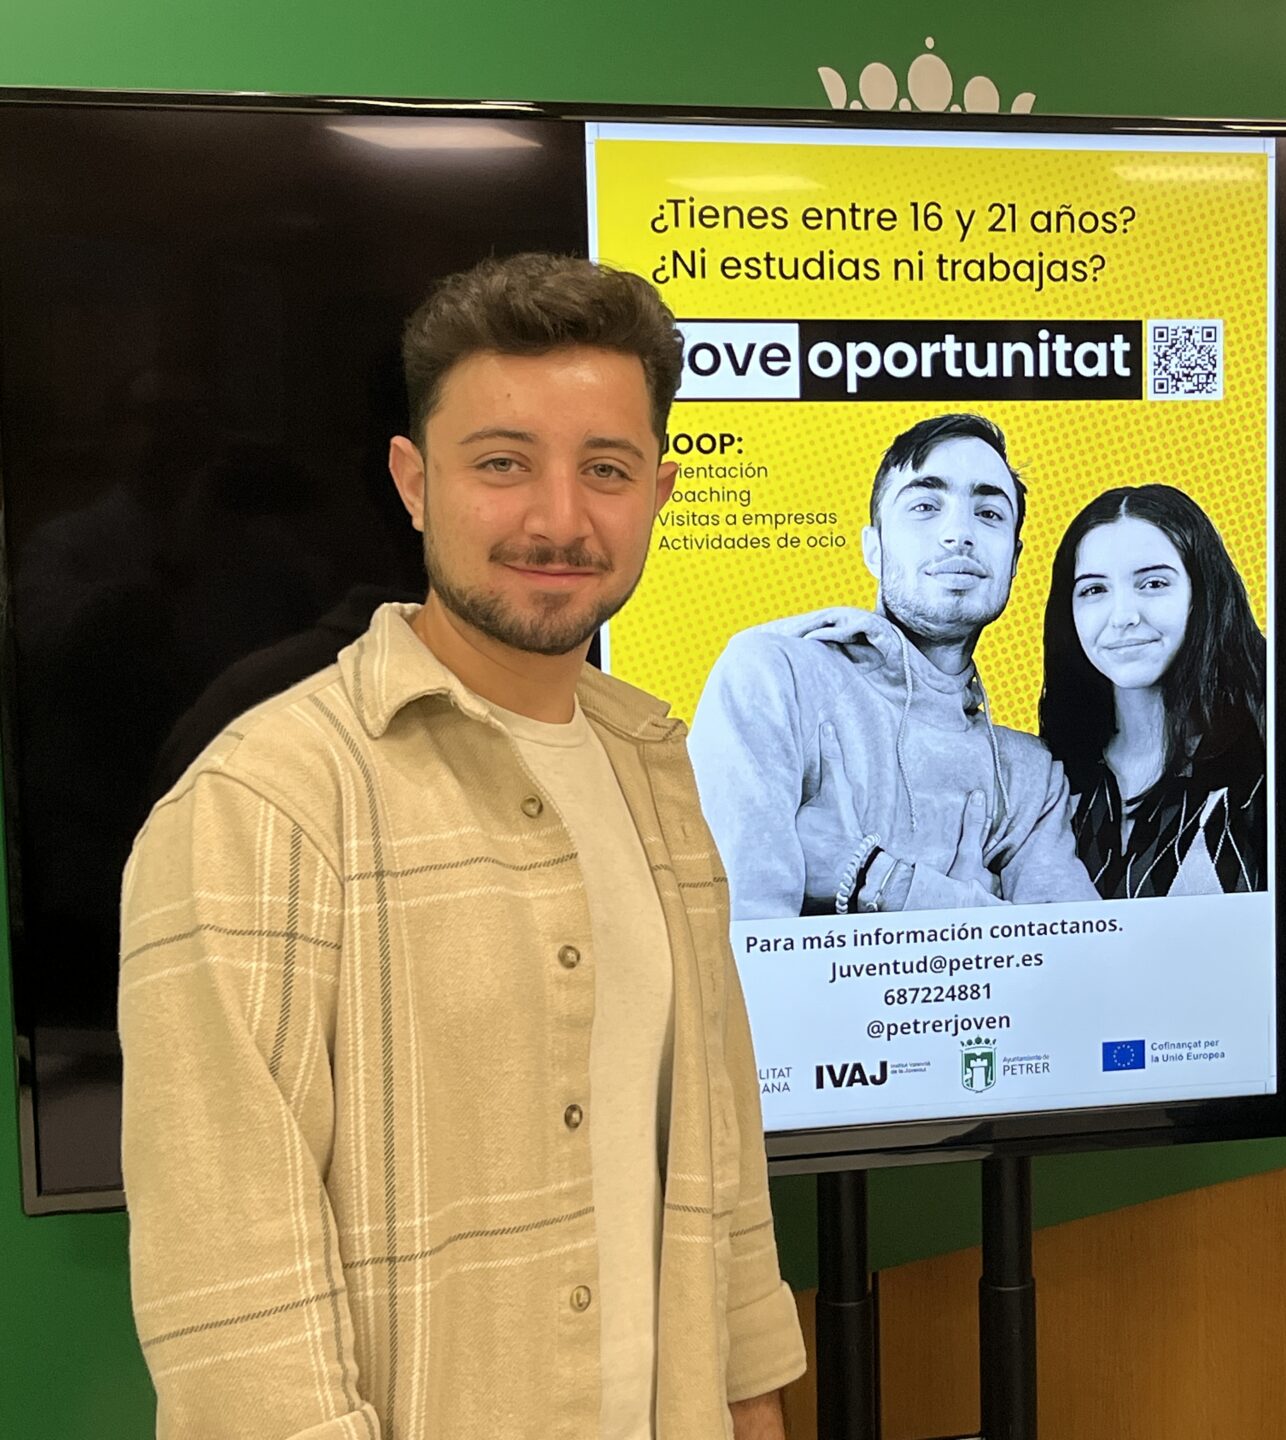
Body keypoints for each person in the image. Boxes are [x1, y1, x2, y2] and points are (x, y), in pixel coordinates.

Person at [118, 253, 805, 1440]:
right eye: (502, 463)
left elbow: (722, 1175)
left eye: (605, 469)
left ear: (659, 491)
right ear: (414, 481)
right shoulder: (263, 804)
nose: (558, 519)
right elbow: (236, 1316)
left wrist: (754, 1407)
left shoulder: (658, 771)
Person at [688, 412, 1098, 918]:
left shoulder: (1029, 778)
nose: (959, 534)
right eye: (925, 506)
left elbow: (1073, 951)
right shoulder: (773, 677)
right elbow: (737, 942)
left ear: (1013, 562)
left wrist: (872, 876)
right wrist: (983, 911)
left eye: (989, 513)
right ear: (873, 550)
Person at [1037, 483, 1266, 898]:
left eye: (1154, 584)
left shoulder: (1265, 764)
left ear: (1201, 593)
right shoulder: (1048, 782)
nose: (1123, 616)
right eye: (1094, 590)